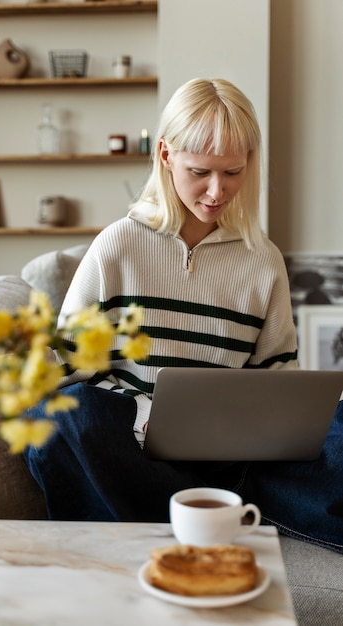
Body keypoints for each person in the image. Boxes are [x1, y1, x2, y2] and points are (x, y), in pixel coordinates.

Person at [24, 78, 343, 553]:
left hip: (236, 461)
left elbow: (277, 377)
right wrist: (140, 414)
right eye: (201, 171)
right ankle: (219, 516)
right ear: (166, 155)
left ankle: (200, 512)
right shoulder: (118, 245)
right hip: (135, 453)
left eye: (233, 172)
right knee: (58, 419)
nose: (217, 191)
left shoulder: (263, 259)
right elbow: (70, 368)